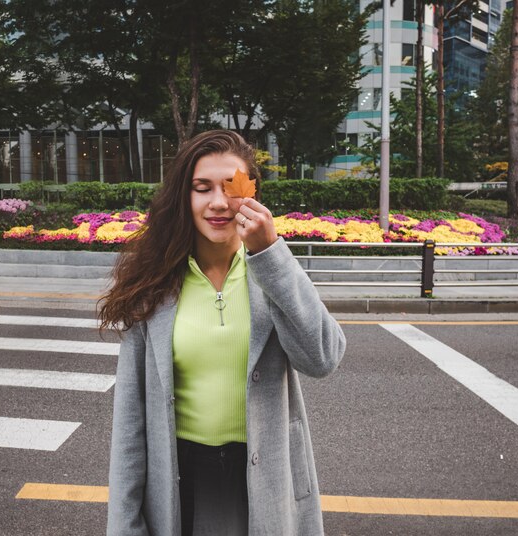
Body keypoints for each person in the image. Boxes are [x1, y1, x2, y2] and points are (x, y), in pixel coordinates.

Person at [99, 130, 346, 536]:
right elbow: (130, 426)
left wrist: (270, 254)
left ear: (252, 194)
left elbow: (322, 357)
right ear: (184, 197)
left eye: (231, 187)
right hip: (180, 483)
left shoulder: (270, 273)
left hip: (266, 483)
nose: (218, 202)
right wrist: (124, 526)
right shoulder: (154, 283)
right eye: (202, 188)